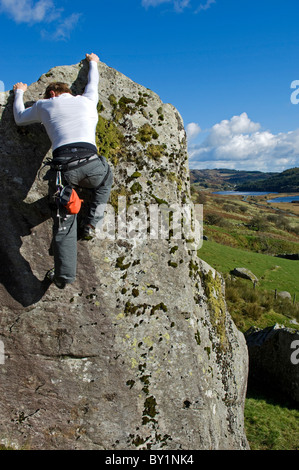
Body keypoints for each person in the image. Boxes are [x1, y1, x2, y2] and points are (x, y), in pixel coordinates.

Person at [13, 53, 113, 289]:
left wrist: (19, 92)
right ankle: (91, 223)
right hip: (92, 165)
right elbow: (92, 82)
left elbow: (18, 118)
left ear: (52, 94)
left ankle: (63, 277)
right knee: (105, 179)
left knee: (65, 224)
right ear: (69, 92)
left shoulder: (45, 104)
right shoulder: (88, 100)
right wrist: (93, 63)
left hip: (63, 173)